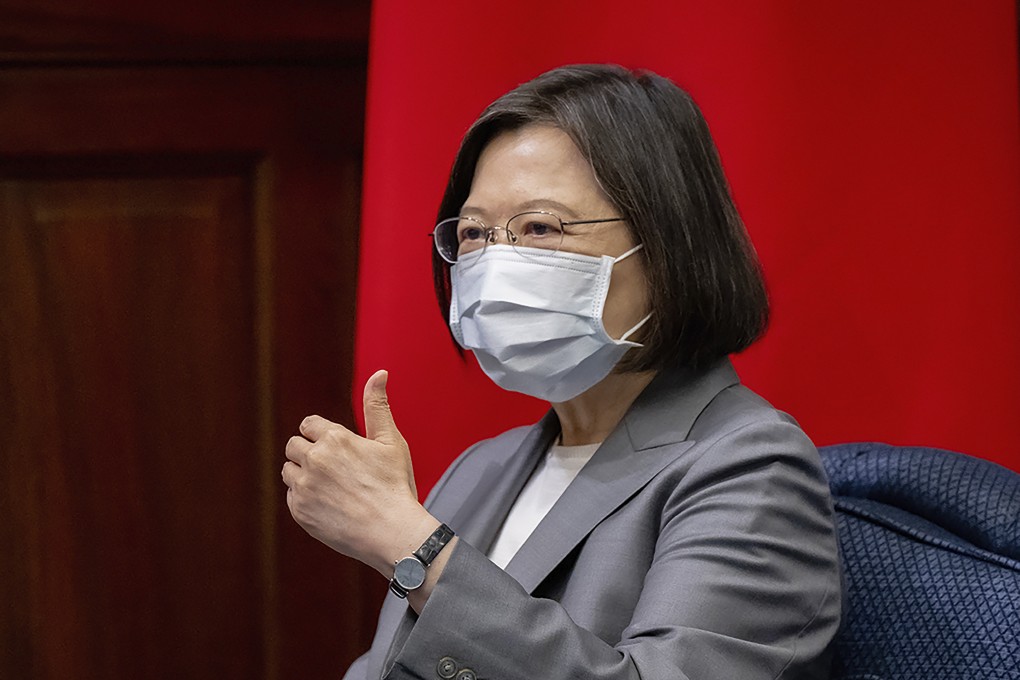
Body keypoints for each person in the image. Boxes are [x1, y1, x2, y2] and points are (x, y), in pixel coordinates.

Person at [282, 64, 842, 680]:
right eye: (474, 233)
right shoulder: (481, 468)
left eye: (540, 227)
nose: (496, 263)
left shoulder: (751, 463)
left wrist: (411, 544)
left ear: (667, 243)